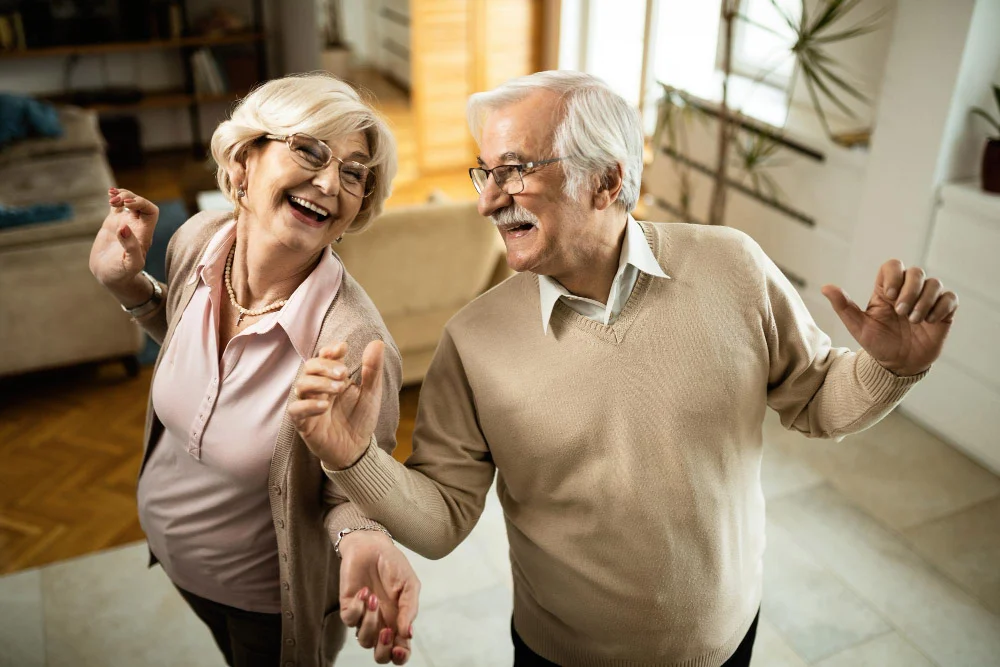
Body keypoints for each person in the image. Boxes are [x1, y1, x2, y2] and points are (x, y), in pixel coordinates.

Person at [287, 71, 959, 667]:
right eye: (484, 172)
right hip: (561, 656)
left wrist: (887, 368)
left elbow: (817, 398)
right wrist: (353, 458)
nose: (490, 199)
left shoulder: (735, 267)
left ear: (607, 179)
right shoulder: (472, 341)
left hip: (728, 640)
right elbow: (443, 520)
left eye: (514, 170)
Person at [89, 73, 418, 667]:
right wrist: (131, 287)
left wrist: (363, 532)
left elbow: (354, 486)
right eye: (309, 149)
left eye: (352, 172)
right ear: (242, 161)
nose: (328, 182)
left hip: (266, 602)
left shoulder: (354, 342)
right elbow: (198, 357)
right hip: (174, 555)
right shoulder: (197, 241)